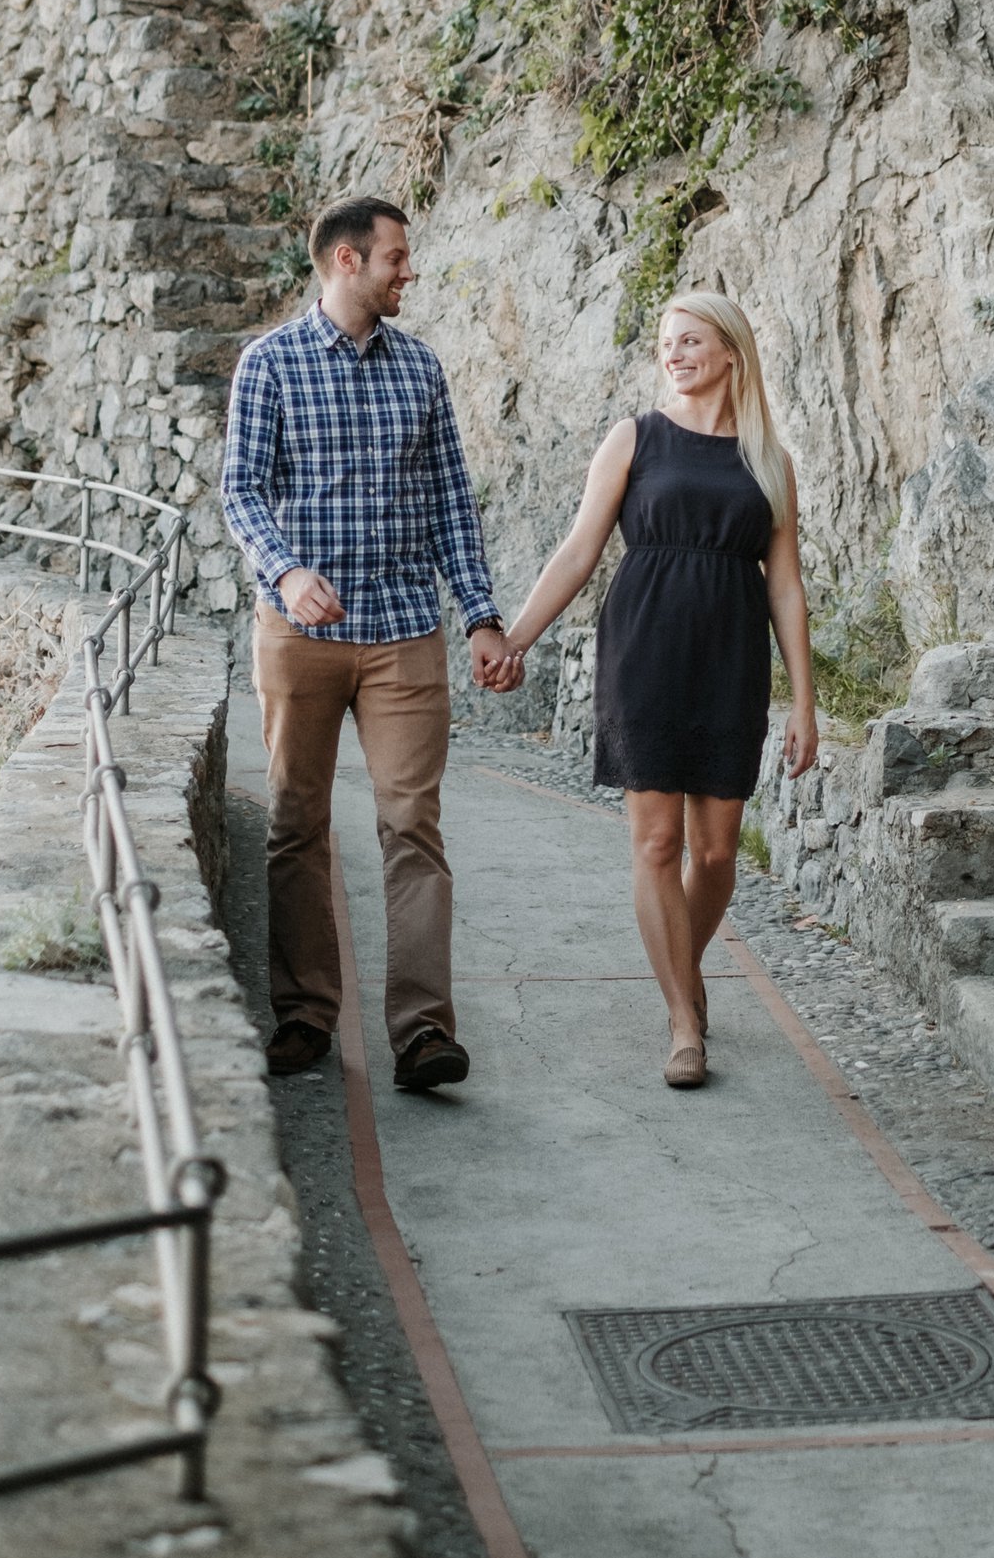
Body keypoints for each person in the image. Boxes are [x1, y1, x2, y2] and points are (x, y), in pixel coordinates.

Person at [220, 195, 524, 1088]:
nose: (409, 270)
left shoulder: (421, 370)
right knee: (294, 823)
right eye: (397, 256)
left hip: (403, 637)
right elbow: (241, 492)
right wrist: (284, 573)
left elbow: (449, 508)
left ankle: (424, 1032)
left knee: (412, 829)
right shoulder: (268, 364)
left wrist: (479, 616)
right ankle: (306, 1015)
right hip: (298, 636)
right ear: (346, 262)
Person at [497, 290, 818, 1088]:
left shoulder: (768, 460)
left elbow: (785, 587)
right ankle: (683, 1019)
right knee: (655, 844)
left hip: (729, 655)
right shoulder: (635, 438)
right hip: (643, 648)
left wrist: (805, 701)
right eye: (667, 343)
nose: (673, 354)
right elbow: (578, 551)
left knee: (713, 852)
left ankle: (686, 967)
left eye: (691, 340)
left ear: (732, 354)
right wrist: (515, 638)